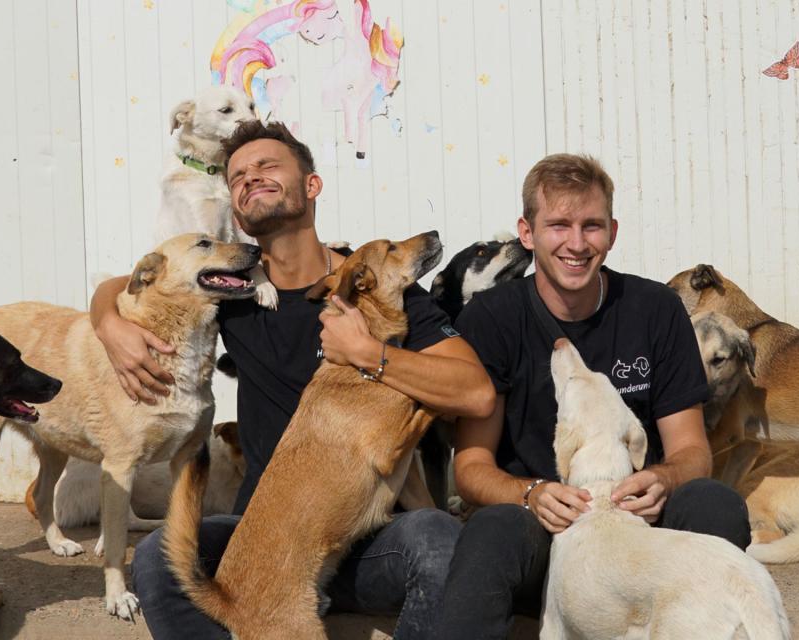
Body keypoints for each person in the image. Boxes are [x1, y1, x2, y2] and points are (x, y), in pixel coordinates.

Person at [89, 120, 496, 639]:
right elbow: (125, 282)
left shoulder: (376, 288)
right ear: (235, 207)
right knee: (154, 559)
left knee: (437, 536)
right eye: (237, 175)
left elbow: (477, 392)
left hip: (368, 533)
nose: (250, 178)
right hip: (262, 539)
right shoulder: (231, 295)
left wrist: (369, 353)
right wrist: (108, 322)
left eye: (267, 166)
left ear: (312, 185)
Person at [434, 153, 751, 639]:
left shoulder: (655, 309)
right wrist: (531, 493)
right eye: (558, 225)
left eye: (592, 226)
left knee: (715, 504)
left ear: (613, 231)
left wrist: (663, 479)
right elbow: (471, 468)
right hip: (542, 530)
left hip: (636, 534)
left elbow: (692, 451)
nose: (577, 244)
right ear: (527, 232)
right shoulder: (492, 318)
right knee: (491, 532)